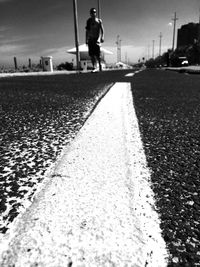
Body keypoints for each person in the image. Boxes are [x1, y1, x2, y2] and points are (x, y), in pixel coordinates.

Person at [85, 8, 104, 72]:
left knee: (98, 54)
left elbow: (102, 30)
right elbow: (87, 31)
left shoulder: (99, 21)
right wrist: (86, 39)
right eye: (92, 12)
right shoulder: (88, 21)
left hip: (97, 39)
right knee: (92, 54)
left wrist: (102, 37)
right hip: (90, 39)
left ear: (96, 13)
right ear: (90, 13)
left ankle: (100, 64)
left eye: (94, 12)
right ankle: (94, 67)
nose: (93, 13)